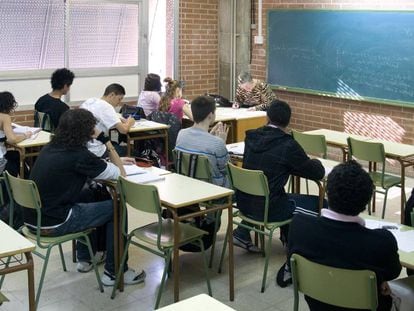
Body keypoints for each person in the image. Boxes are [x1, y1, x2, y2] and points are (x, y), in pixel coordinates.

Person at [25, 109, 145, 286]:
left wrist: (106, 161)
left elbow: (86, 164)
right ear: (87, 131)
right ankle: (116, 272)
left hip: (33, 220)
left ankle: (85, 259)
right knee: (117, 207)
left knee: (87, 193)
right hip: (53, 223)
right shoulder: (79, 156)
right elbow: (121, 174)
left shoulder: (51, 147)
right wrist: (106, 142)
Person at [288, 161, 402, 311]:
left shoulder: (299, 226)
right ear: (367, 202)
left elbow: (292, 266)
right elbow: (393, 272)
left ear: (327, 192)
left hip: (318, 305)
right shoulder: (381, 242)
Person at [233, 99, 325, 253]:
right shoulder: (288, 145)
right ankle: (298, 248)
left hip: (243, 202)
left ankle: (242, 232)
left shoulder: (251, 137)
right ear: (288, 122)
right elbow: (317, 173)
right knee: (321, 204)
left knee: (272, 192)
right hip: (270, 210)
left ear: (267, 117)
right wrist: (315, 161)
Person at [175, 95, 229, 188]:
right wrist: (222, 143)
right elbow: (227, 170)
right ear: (210, 115)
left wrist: (210, 136)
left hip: (188, 186)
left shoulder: (181, 134)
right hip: (214, 190)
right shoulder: (217, 143)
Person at [80, 83, 135, 157]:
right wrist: (130, 122)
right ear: (112, 95)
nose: (119, 103)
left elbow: (100, 115)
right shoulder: (107, 107)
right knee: (131, 150)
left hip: (83, 147)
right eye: (119, 99)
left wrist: (119, 119)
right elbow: (123, 130)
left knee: (114, 143)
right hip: (97, 151)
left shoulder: (91, 101)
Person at [0, 91, 33, 176]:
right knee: (16, 159)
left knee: (15, 155)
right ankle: (25, 181)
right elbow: (12, 139)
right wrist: (25, 135)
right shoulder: (4, 117)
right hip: (1, 160)